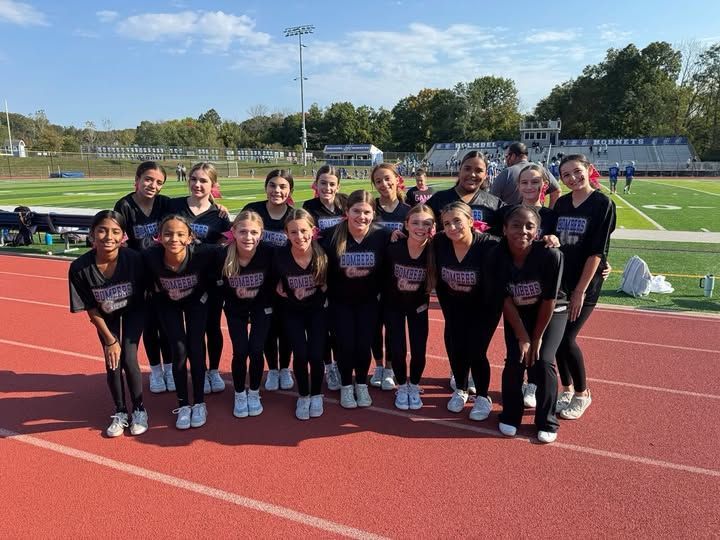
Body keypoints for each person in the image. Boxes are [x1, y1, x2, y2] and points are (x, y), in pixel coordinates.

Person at [68, 211, 148, 437]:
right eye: (102, 230)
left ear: (123, 235)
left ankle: (140, 409)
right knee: (112, 359)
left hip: (133, 311)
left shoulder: (134, 259)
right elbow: (90, 308)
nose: (108, 236)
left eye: (115, 231)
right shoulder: (79, 268)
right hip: (105, 316)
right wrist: (110, 340)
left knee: (129, 357)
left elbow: (146, 291)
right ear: (92, 233)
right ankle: (121, 410)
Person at [491, 206, 566, 443]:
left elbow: (549, 300)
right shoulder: (495, 255)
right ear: (504, 229)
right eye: (515, 225)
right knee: (516, 359)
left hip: (551, 312)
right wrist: (523, 336)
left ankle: (547, 420)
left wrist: (536, 337)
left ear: (537, 230)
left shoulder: (550, 255)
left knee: (543, 360)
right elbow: (503, 298)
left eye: (529, 226)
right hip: (517, 313)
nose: (522, 231)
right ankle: (511, 414)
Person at [553, 154, 616, 420]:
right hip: (560, 282)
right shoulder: (562, 203)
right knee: (554, 341)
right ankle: (565, 389)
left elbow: (596, 252)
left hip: (585, 285)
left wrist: (580, 290)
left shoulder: (603, 204)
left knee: (567, 339)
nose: (572, 178)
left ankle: (582, 393)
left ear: (589, 170)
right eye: (566, 175)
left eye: (577, 172)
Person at [143, 215, 219, 430]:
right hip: (168, 303)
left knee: (196, 347)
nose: (173, 239)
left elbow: (228, 246)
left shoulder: (204, 253)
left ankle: (199, 403)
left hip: (197, 301)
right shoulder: (150, 256)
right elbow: (141, 276)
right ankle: (183, 404)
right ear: (158, 237)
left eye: (180, 234)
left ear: (190, 237)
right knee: (178, 349)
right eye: (167, 233)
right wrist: (157, 289)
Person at [321, 190, 391, 409]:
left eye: (367, 212)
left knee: (363, 345)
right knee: (345, 345)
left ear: (374, 213)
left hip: (369, 302)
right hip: (339, 302)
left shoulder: (383, 235)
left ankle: (361, 383)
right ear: (347, 211)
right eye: (357, 211)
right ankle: (345, 385)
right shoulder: (331, 235)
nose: (362, 216)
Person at [433, 201, 501, 419]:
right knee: (456, 349)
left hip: (484, 308)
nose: (452, 227)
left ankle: (482, 396)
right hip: (453, 305)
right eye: (446, 223)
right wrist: (397, 235)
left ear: (471, 221)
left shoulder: (490, 245)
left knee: (476, 352)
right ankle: (461, 389)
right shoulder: (440, 242)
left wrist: (549, 240)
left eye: (457, 221)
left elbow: (522, 250)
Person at [169, 162, 231, 395]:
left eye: (203, 180)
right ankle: (196, 369)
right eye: (194, 179)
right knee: (186, 331)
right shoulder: (173, 205)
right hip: (178, 279)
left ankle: (212, 371)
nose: (197, 184)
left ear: (213, 185)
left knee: (212, 327)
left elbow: (223, 247)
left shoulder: (220, 215)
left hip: (209, 280)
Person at [114, 162, 174, 394]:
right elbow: (122, 240)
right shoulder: (125, 205)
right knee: (149, 326)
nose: (153, 185)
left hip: (164, 273)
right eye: (148, 179)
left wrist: (215, 205)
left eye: (159, 182)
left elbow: (187, 215)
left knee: (166, 324)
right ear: (137, 180)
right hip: (139, 275)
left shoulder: (165, 203)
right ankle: (156, 370)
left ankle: (169, 368)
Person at [218, 210, 274, 418]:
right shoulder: (222, 254)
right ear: (233, 232)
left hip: (262, 308)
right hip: (235, 309)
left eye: (253, 232)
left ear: (261, 233)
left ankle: (254, 391)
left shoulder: (268, 252)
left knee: (257, 350)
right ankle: (240, 393)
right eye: (243, 232)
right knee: (240, 351)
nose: (248, 237)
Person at [243, 170, 295, 391]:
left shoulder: (294, 215)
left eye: (283, 186)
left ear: (289, 190)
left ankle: (284, 368)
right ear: (266, 187)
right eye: (273, 185)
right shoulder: (252, 210)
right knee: (266, 329)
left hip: (286, 282)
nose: (277, 190)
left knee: (285, 328)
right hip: (259, 283)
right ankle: (272, 369)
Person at [275, 209, 329, 420]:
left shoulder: (323, 253)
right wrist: (278, 283)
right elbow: (269, 275)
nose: (300, 236)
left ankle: (316, 394)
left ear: (313, 231)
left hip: (317, 311)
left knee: (316, 355)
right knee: (300, 354)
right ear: (286, 234)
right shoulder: (279, 255)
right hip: (292, 312)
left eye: (304, 230)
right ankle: (303, 395)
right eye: (293, 232)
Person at [384, 204, 435, 410]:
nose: (420, 227)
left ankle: (413, 384)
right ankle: (401, 385)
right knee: (397, 349)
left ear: (433, 226)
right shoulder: (394, 248)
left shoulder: (435, 248)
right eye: (415, 222)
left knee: (418, 349)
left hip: (419, 307)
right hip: (393, 306)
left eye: (426, 223)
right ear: (405, 224)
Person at [302, 165, 345, 391]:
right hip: (318, 270)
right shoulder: (309, 207)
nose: (327, 187)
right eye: (323, 183)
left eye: (331, 184)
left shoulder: (345, 203)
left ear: (338, 186)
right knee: (322, 324)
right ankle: (329, 367)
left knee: (338, 324)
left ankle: (339, 364)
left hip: (342, 271)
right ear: (315, 184)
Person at [369, 163, 411, 390]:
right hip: (371, 276)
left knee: (393, 326)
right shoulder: (370, 207)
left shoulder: (408, 210)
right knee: (375, 325)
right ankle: (378, 365)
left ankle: (390, 367)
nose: (383, 184)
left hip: (397, 279)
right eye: (378, 181)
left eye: (387, 179)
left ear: (397, 179)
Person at [428, 151, 505, 236]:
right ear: (460, 169)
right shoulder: (439, 199)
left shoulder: (495, 204)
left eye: (478, 171)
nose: (472, 174)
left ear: (486, 174)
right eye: (467, 169)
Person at [490, 142, 562, 207]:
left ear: (513, 156)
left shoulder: (506, 173)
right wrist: (550, 212)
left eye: (507, 156)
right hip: (538, 217)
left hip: (512, 217)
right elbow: (557, 191)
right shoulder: (541, 170)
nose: (506, 159)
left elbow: (492, 200)